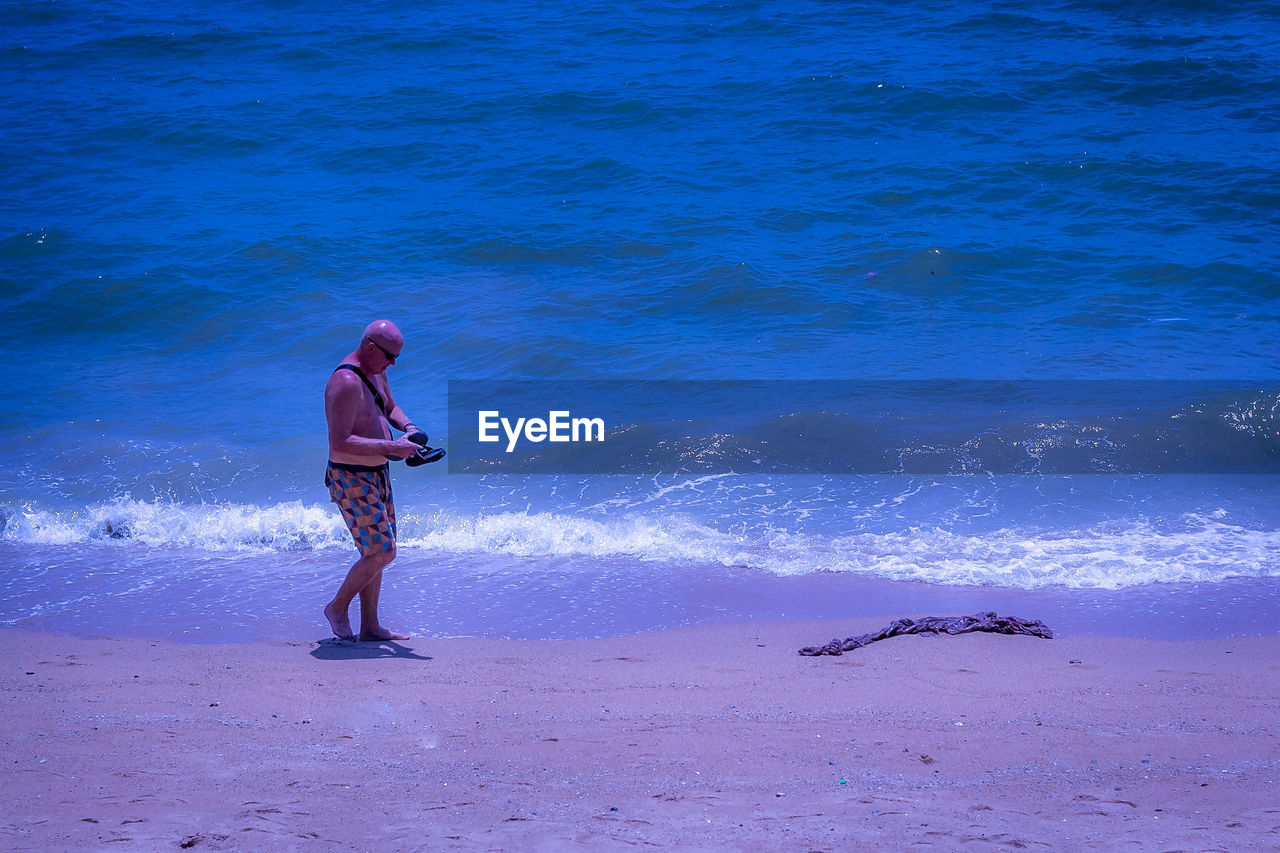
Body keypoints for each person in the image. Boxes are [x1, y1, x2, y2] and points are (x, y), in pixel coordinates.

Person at [322, 319, 424, 641]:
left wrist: (409, 430)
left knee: (376, 551)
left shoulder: (377, 370)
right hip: (351, 477)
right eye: (389, 356)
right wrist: (393, 447)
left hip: (377, 472)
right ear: (370, 347)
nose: (392, 363)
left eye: (396, 357)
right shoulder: (345, 382)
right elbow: (340, 441)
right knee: (383, 551)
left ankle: (370, 627)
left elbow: (389, 407)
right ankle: (337, 607)